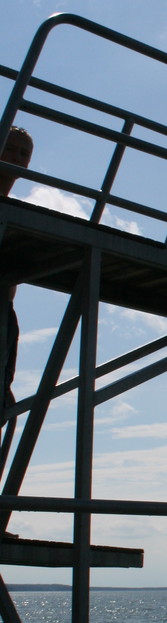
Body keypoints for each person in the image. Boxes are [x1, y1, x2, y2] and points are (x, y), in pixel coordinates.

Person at [0, 125, 34, 410]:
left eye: (24, 153)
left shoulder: (15, 210)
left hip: (5, 311)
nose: (17, 158)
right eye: (10, 149)